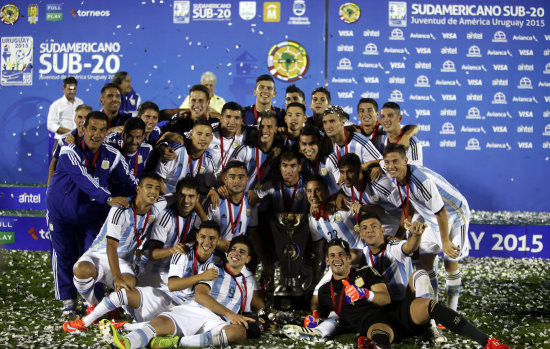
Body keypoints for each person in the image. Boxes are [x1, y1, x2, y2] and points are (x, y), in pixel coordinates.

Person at [46, 111, 138, 314]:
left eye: (102, 130)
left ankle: (93, 303)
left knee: (94, 258)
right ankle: (68, 301)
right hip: (60, 214)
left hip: (91, 216)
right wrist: (108, 198)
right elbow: (83, 178)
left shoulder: (111, 155)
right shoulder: (68, 150)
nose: (96, 134)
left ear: (107, 132)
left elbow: (131, 182)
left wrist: (147, 196)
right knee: (64, 256)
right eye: (92, 129)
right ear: (83, 129)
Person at [63, 220, 222, 333]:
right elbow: (173, 285)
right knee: (124, 293)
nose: (206, 242)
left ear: (218, 241)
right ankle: (84, 322)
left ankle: (126, 326)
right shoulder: (182, 252)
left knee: (192, 326)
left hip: (189, 308)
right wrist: (202, 276)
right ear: (197, 237)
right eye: (203, 237)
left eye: (212, 238)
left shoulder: (218, 262)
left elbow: (203, 294)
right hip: (167, 297)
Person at [108, 236, 265, 349]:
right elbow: (200, 296)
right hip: (197, 309)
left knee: (238, 333)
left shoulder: (247, 284)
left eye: (242, 252)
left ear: (248, 259)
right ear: (228, 253)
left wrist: (260, 323)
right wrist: (230, 314)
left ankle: (178, 342)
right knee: (160, 324)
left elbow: (244, 313)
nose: (236, 253)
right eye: (234, 249)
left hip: (218, 321)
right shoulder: (213, 269)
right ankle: (127, 342)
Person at [383, 143, 470, 311]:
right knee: (424, 260)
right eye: (387, 162)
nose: (390, 166)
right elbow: (408, 201)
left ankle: (452, 311)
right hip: (431, 216)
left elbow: (441, 212)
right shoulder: (396, 175)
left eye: (395, 161)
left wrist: (444, 242)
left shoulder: (421, 181)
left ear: (405, 161)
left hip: (454, 214)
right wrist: (406, 221)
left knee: (450, 261)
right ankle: (434, 308)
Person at [69, 173, 165, 315]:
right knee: (81, 270)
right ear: (138, 189)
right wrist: (117, 277)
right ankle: (92, 303)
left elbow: (180, 196)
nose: (153, 192)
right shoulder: (120, 209)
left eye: (157, 188)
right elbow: (111, 246)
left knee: (130, 283)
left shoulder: (157, 206)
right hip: (98, 255)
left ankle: (111, 304)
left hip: (123, 261)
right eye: (149, 187)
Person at [137, 177, 203, 288]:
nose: (186, 200)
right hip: (151, 269)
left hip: (172, 270)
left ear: (197, 198)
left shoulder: (197, 217)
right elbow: (153, 254)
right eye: (182, 195)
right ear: (177, 195)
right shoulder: (166, 217)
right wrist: (173, 250)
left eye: (191, 196)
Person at [337, 153, 404, 238]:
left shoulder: (379, 184)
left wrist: (399, 236)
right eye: (342, 172)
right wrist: (362, 208)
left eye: (350, 172)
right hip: (385, 219)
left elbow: (408, 206)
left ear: (360, 170)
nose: (345, 177)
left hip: (403, 217)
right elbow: (380, 210)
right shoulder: (345, 186)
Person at [201, 161, 258, 252]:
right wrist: (216, 243)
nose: (237, 181)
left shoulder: (251, 202)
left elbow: (252, 230)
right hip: (212, 255)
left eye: (241, 177)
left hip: (236, 257)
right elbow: (198, 231)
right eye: (232, 177)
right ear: (225, 179)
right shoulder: (213, 200)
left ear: (247, 179)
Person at [155, 120, 216, 196]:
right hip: (165, 199)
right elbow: (158, 180)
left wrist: (213, 190)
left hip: (188, 201)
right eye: (199, 134)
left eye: (207, 135)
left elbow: (210, 186)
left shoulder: (208, 159)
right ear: (191, 134)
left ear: (211, 138)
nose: (203, 139)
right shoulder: (175, 151)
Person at [105, 118, 153, 196]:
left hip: (134, 196)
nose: (133, 142)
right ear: (123, 134)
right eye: (130, 136)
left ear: (143, 136)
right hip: (111, 197)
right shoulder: (111, 146)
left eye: (138, 137)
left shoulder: (147, 150)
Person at [47, 104, 92, 185]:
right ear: (74, 119)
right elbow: (53, 166)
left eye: (86, 117)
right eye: (80, 117)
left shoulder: (96, 142)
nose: (83, 121)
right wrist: (50, 187)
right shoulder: (63, 140)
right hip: (67, 188)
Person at [298, 124, 339, 194]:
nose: (308, 148)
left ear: (319, 143)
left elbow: (346, 188)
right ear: (300, 144)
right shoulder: (301, 164)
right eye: (304, 144)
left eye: (312, 144)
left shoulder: (330, 160)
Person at [378, 102, 422, 166]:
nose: (386, 120)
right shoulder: (382, 138)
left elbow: (414, 171)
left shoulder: (412, 142)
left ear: (400, 118)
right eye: (382, 116)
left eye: (390, 116)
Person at [207, 102, 245, 174]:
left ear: (241, 121)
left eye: (236, 118)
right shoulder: (208, 131)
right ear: (221, 118)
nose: (232, 122)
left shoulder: (245, 133)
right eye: (228, 117)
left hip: (228, 182)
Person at [47, 76, 84, 149]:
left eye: (74, 89)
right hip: (61, 142)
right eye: (70, 89)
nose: (72, 92)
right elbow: (51, 125)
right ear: (63, 88)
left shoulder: (80, 102)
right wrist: (70, 132)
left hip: (77, 142)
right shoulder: (56, 105)